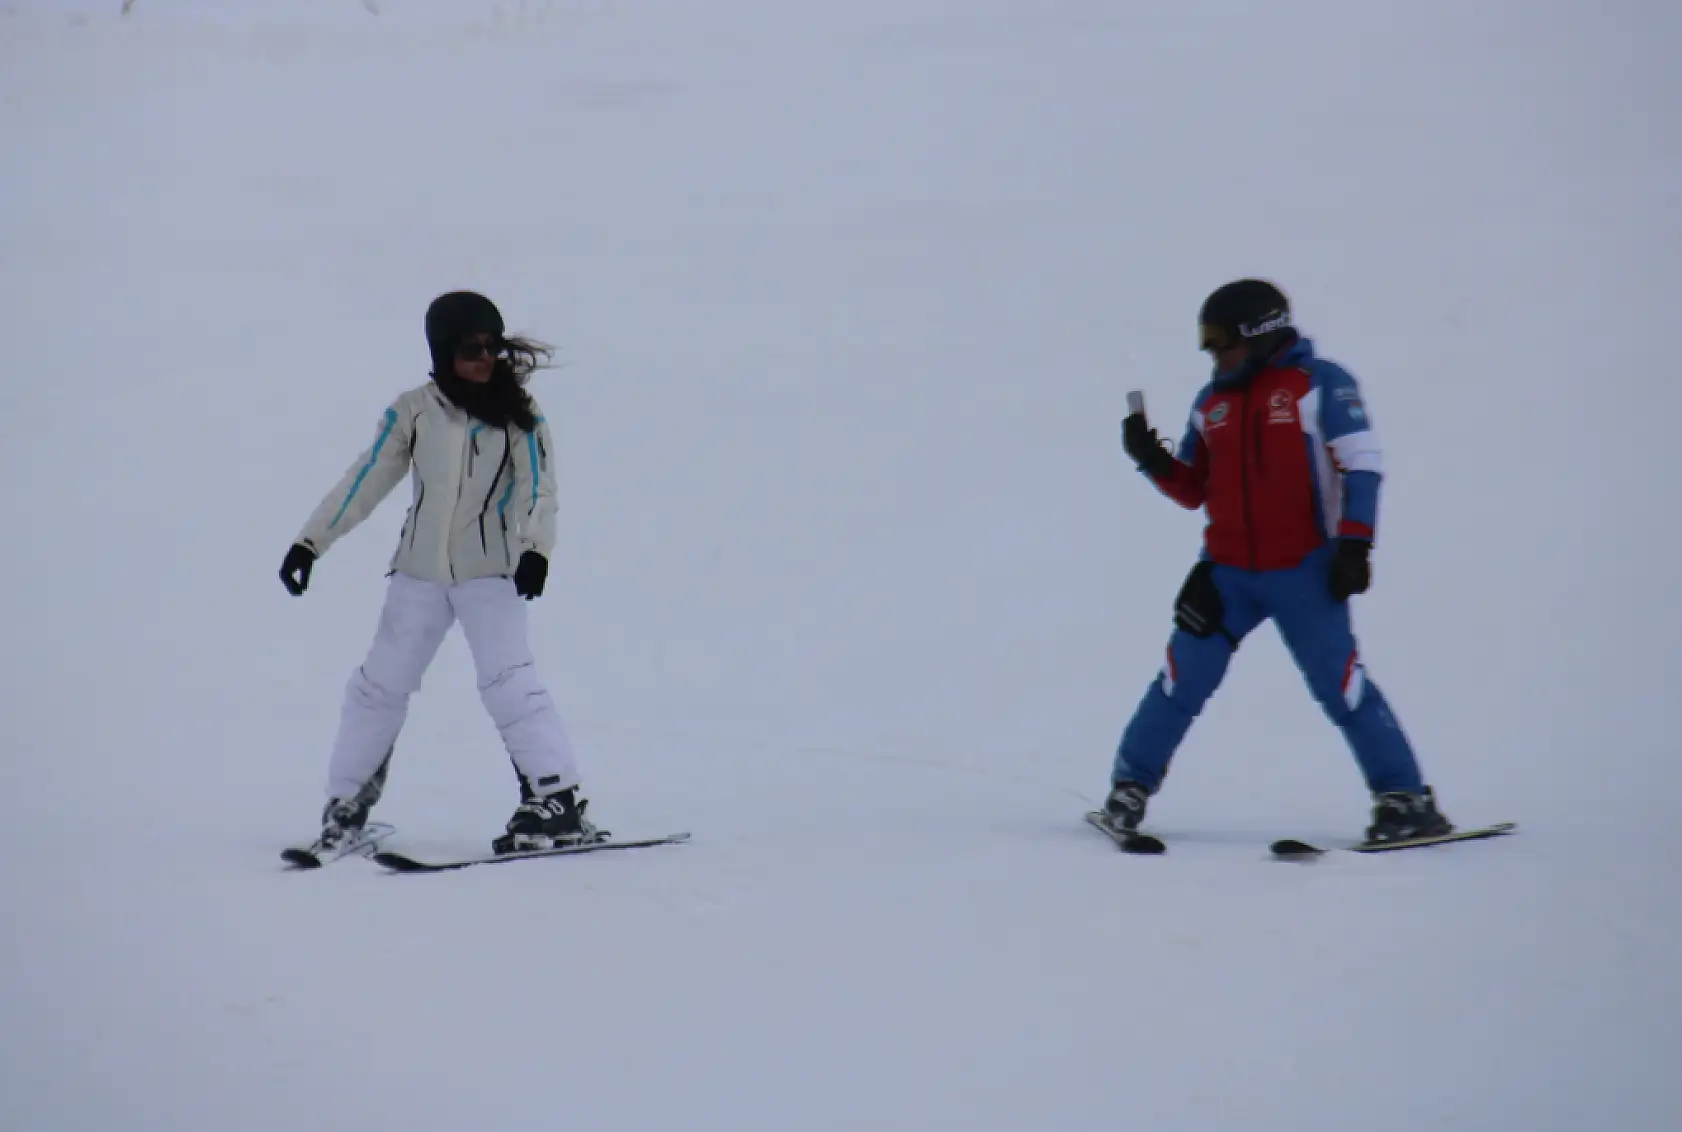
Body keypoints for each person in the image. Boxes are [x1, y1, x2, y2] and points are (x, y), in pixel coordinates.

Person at [1104, 279, 1451, 844]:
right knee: (1180, 680)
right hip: (1227, 574)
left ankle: (1405, 799)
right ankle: (1128, 789)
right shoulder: (1211, 403)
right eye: (1209, 345)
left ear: (1261, 334)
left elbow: (1362, 465)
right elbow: (1193, 489)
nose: (1215, 356)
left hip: (1304, 572)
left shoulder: (1320, 385)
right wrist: (1151, 459)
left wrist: (1355, 544)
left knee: (1341, 686)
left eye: (1224, 343)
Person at [278, 290, 601, 855]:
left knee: (509, 682)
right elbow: (365, 480)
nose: (485, 358)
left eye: (493, 347)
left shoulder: (519, 414)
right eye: (471, 348)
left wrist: (535, 550)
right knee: (377, 687)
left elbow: (539, 487)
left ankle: (557, 800)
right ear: (442, 351)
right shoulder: (414, 411)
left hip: (490, 572)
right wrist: (310, 543)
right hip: (418, 575)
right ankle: (346, 807)